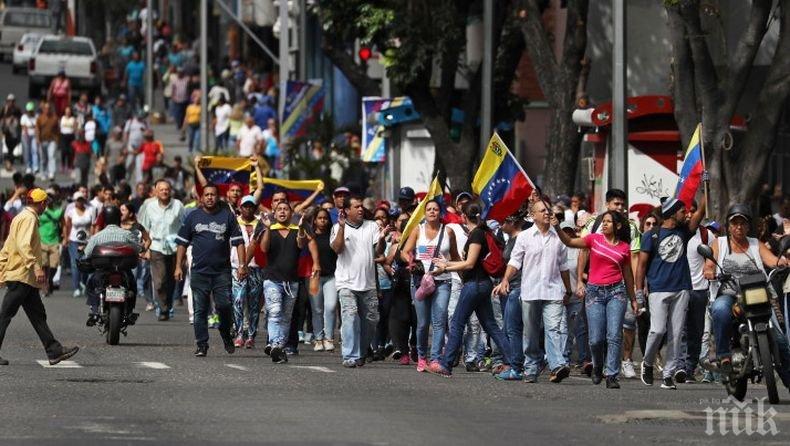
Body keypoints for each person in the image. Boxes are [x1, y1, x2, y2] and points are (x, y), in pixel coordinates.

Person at [707, 204, 790, 389]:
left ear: (748, 226)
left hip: (756, 295)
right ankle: (723, 356)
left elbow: (771, 260)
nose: (738, 227)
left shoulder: (755, 244)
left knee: (781, 341)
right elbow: (708, 265)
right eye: (734, 223)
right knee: (720, 309)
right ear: (728, 226)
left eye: (742, 223)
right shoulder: (719, 244)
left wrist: (782, 262)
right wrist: (709, 271)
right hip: (730, 295)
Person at [430, 203, 516, 378]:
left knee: (457, 324)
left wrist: (445, 268)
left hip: (475, 285)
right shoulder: (482, 232)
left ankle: (446, 365)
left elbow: (469, 263)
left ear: (463, 217)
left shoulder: (477, 234)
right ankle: (514, 362)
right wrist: (446, 263)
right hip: (481, 284)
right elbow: (471, 262)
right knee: (491, 325)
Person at [554, 210, 637, 388]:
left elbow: (628, 275)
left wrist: (634, 299)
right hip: (594, 293)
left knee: (614, 335)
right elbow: (569, 241)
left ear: (618, 226)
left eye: (608, 222)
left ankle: (612, 375)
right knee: (596, 339)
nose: (604, 224)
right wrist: (556, 226)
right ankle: (598, 366)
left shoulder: (624, 247)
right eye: (603, 221)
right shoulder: (593, 240)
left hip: (617, 292)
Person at [492, 199, 573, 382]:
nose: (547, 213)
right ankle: (531, 367)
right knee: (531, 332)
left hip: (553, 291)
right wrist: (505, 279)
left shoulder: (559, 238)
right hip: (530, 291)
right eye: (542, 210)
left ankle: (557, 365)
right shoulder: (524, 237)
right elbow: (515, 262)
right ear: (533, 215)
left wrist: (568, 290)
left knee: (553, 329)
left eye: (549, 210)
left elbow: (564, 266)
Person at [0, 188, 80, 366]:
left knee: (37, 315)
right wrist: (36, 267)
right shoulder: (28, 219)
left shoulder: (21, 217)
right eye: (46, 204)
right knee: (5, 315)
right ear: (42, 203)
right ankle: (54, 350)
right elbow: (22, 245)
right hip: (21, 275)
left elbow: (9, 245)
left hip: (23, 276)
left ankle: (54, 351)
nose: (46, 207)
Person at [636, 197, 705, 389]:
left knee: (676, 334)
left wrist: (705, 190)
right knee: (657, 330)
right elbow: (641, 266)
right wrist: (639, 292)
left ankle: (668, 374)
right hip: (658, 290)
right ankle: (648, 363)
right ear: (673, 213)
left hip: (681, 288)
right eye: (683, 211)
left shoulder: (683, 232)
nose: (687, 214)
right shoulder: (652, 235)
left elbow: (699, 215)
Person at [175, 184, 246, 357]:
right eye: (206, 195)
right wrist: (178, 266)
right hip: (199, 272)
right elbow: (182, 243)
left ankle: (226, 333)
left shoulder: (227, 217)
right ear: (201, 197)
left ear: (218, 197)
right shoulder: (193, 217)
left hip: (222, 272)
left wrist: (243, 265)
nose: (209, 198)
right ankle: (201, 344)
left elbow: (239, 242)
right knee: (200, 309)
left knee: (225, 306)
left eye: (212, 195)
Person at [578, 188, 642, 379]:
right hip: (594, 285)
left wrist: (636, 289)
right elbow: (583, 251)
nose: (620, 207)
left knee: (623, 326)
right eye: (616, 204)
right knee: (596, 334)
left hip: (619, 287)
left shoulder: (631, 227)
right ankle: (597, 362)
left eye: (622, 204)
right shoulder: (593, 224)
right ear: (607, 205)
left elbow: (634, 258)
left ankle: (624, 362)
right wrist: (581, 277)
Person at [400, 199, 458, 372]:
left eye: (435, 209)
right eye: (429, 209)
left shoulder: (448, 231)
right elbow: (404, 251)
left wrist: (451, 266)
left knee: (439, 321)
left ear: (440, 213)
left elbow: (454, 257)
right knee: (423, 323)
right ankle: (422, 357)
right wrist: (409, 260)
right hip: (421, 281)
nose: (432, 212)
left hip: (443, 281)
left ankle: (435, 359)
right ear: (424, 213)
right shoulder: (417, 230)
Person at [331, 195, 388, 368]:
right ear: (347, 211)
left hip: (368, 283)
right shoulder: (336, 227)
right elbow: (337, 249)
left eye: (361, 206)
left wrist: (383, 238)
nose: (361, 209)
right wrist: (341, 228)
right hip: (346, 283)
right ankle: (349, 354)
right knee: (349, 316)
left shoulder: (372, 226)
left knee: (372, 320)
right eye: (356, 207)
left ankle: (361, 351)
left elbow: (379, 251)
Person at [259, 201, 315, 363]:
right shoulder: (270, 230)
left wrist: (302, 227)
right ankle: (275, 344)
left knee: (286, 317)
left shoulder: (297, 230)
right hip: (272, 279)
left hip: (291, 282)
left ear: (291, 214)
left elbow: (301, 243)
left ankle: (278, 347)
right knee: (275, 312)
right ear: (274, 213)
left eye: (286, 209)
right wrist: (268, 228)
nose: (282, 212)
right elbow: (264, 248)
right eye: (279, 209)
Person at [83, 205, 141, 325]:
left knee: (91, 284)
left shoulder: (97, 236)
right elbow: (137, 249)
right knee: (133, 287)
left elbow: (87, 253)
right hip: (124, 270)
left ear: (105, 219)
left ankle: (94, 311)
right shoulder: (127, 234)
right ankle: (129, 312)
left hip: (103, 270)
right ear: (118, 218)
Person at [138, 179, 185, 321]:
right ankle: (162, 307)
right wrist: (145, 247)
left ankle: (167, 305)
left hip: (174, 248)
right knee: (159, 282)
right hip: (156, 247)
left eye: (167, 189)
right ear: (156, 192)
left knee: (171, 280)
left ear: (170, 191)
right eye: (161, 189)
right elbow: (144, 227)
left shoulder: (178, 205)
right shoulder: (149, 206)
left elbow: (184, 226)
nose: (164, 191)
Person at [231, 195, 264, 349]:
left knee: (254, 303)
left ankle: (251, 335)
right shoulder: (233, 222)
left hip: (256, 267)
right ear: (240, 207)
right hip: (237, 267)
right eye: (245, 206)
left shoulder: (261, 223)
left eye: (251, 206)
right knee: (238, 300)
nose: (248, 209)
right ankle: (239, 333)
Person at [310, 207, 338, 352]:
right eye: (320, 218)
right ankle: (318, 339)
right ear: (314, 220)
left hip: (331, 276)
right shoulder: (311, 236)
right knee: (317, 309)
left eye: (325, 218)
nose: (322, 220)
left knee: (331, 306)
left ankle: (329, 338)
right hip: (314, 277)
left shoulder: (333, 236)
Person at [62, 191, 97, 297]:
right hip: (74, 240)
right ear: (75, 201)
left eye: (82, 199)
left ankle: (84, 282)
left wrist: (93, 237)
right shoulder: (71, 210)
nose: (80, 202)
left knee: (85, 262)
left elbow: (93, 225)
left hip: (87, 241)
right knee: (75, 263)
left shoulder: (91, 209)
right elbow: (67, 225)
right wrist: (66, 238)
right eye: (78, 200)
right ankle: (76, 287)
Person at [39, 189, 64, 297]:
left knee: (54, 265)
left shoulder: (57, 210)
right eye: (46, 198)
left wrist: (47, 209)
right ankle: (45, 286)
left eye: (50, 198)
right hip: (42, 240)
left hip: (54, 241)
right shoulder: (40, 210)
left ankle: (49, 280)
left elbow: (56, 217)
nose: (48, 200)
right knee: (44, 265)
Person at [35, 102, 59, 182]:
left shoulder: (54, 118)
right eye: (46, 108)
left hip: (51, 141)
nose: (47, 110)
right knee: (43, 158)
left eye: (49, 108)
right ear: (43, 109)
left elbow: (57, 130)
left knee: (51, 156)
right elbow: (37, 129)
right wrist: (38, 139)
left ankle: (51, 173)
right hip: (42, 141)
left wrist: (57, 140)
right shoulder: (40, 118)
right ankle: (43, 173)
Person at [20, 102, 38, 174]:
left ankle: (35, 166)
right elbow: (24, 127)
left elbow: (37, 127)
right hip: (26, 136)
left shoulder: (36, 116)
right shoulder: (24, 117)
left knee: (34, 150)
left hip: (33, 136)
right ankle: (28, 166)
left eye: (31, 111)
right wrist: (27, 133)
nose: (29, 112)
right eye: (28, 111)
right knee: (27, 151)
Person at [59, 106, 76, 171]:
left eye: (69, 111)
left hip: (71, 136)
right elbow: (60, 127)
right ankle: (63, 165)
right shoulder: (62, 118)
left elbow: (75, 128)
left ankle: (69, 165)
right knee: (63, 151)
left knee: (70, 151)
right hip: (64, 136)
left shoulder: (73, 118)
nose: (68, 112)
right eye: (67, 111)